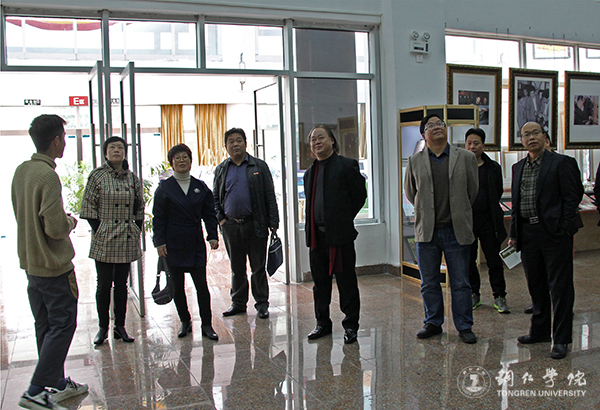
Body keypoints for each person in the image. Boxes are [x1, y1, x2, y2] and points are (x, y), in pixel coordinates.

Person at [12, 114, 88, 410]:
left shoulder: (22, 171)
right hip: (54, 267)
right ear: (56, 140)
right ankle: (35, 390)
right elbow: (55, 228)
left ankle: (56, 383)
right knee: (63, 324)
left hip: (32, 265)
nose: (65, 143)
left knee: (45, 325)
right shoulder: (47, 175)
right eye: (65, 138)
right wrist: (71, 221)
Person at [509, 121, 583, 360]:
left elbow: (573, 197)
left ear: (544, 136)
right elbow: (516, 204)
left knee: (560, 288)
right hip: (528, 234)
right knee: (536, 285)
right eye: (526, 135)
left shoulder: (561, 163)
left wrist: (564, 229)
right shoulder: (518, 167)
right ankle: (539, 332)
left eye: (535, 133)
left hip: (554, 233)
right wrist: (514, 234)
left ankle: (561, 339)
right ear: (521, 140)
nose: (531, 137)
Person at [404, 114, 479, 344]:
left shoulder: (465, 157)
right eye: (431, 125)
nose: (437, 127)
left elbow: (472, 191)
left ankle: (464, 325)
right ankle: (433, 322)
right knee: (429, 282)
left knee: (460, 282)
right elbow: (411, 193)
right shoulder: (415, 161)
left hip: (456, 230)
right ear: (423, 134)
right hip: (427, 232)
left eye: (440, 124)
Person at [303, 125, 367, 344]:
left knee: (346, 282)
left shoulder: (347, 165)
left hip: (340, 236)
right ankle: (322, 323)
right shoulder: (310, 172)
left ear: (332, 140)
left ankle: (351, 326)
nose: (316, 142)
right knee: (320, 284)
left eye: (321, 137)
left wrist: (342, 218)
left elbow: (359, 196)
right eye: (313, 139)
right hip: (317, 237)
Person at [80, 136, 144, 345]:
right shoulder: (97, 176)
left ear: (125, 152)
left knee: (121, 284)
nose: (117, 150)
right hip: (105, 236)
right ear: (105, 153)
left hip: (126, 235)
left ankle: (120, 327)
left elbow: (140, 206)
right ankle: (102, 327)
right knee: (103, 284)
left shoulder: (132, 177)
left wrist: (136, 228)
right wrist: (100, 229)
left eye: (120, 147)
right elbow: (88, 206)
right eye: (112, 147)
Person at [153, 144, 219, 340]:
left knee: (201, 286)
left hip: (195, 241)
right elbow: (158, 218)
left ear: (191, 161)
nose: (182, 161)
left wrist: (213, 235)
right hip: (173, 244)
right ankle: (185, 321)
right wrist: (159, 242)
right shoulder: (164, 188)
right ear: (171, 163)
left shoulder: (201, 187)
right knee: (177, 287)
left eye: (185, 157)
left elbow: (209, 214)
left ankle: (207, 324)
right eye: (177, 158)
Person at [213, 128, 279, 318]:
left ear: (245, 143)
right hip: (231, 226)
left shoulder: (259, 166)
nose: (235, 144)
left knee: (258, 267)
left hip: (256, 224)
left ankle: (262, 303)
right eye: (231, 141)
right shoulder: (221, 169)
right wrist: (221, 219)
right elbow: (215, 197)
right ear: (225, 146)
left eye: (239, 140)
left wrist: (273, 221)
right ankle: (238, 303)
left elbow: (269, 195)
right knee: (237, 268)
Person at [464, 128, 509, 313]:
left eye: (476, 143)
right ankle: (474, 294)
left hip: (489, 220)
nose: (472, 147)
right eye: (469, 143)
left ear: (483, 145)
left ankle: (500, 296)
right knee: (469, 260)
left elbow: (497, 192)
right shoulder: (461, 167)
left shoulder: (493, 168)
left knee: (493, 260)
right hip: (468, 220)